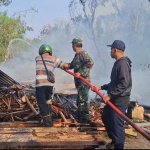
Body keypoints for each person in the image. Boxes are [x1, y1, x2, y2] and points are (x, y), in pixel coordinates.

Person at [91, 40, 132, 149]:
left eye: (111, 50)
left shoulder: (122, 64)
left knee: (117, 126)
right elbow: (114, 84)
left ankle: (118, 146)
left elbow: (124, 84)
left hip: (119, 101)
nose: (110, 52)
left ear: (115, 50)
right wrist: (101, 87)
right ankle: (114, 142)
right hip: (114, 99)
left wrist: (109, 95)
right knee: (106, 117)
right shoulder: (118, 63)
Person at [63, 38, 94, 123]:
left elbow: (91, 63)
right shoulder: (77, 55)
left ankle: (85, 121)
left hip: (84, 82)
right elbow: (72, 65)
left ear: (74, 45)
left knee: (82, 102)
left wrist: (81, 73)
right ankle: (81, 119)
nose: (72, 47)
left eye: (72, 45)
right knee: (79, 101)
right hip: (79, 83)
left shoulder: (82, 53)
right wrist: (65, 65)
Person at [35, 44, 64, 127]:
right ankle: (49, 122)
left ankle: (48, 124)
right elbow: (65, 65)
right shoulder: (54, 59)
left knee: (42, 104)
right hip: (49, 86)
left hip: (40, 86)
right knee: (48, 103)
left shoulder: (37, 58)